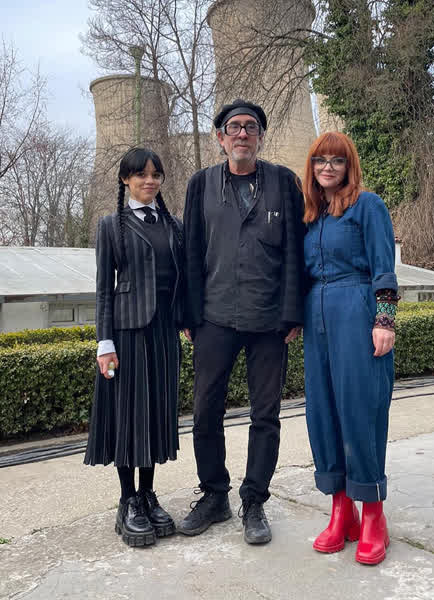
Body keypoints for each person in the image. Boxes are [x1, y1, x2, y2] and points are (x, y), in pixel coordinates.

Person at [177, 99, 305, 545]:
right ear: (220, 137)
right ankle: (215, 495)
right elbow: (191, 251)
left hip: (269, 320)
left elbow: (295, 250)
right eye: (234, 127)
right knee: (205, 412)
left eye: (251, 127)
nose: (242, 134)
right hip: (214, 317)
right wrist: (189, 312)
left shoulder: (284, 183)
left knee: (265, 414)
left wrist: (293, 312)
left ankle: (254, 501)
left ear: (261, 137)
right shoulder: (201, 184)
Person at [302, 132, 399, 565]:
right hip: (316, 315)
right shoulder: (311, 215)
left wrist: (385, 320)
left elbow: (383, 265)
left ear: (349, 166)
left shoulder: (368, 205)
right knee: (322, 413)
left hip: (357, 311)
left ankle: (373, 513)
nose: (327, 167)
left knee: (362, 410)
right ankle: (342, 509)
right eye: (320, 160)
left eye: (336, 161)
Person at [84, 148, 184, 548]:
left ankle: (147, 494)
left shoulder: (173, 225)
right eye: (141, 174)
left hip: (164, 334)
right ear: (126, 179)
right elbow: (103, 290)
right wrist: (104, 342)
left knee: (155, 414)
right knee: (129, 416)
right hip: (126, 335)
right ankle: (127, 501)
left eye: (156, 174)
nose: (149, 181)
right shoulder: (112, 226)